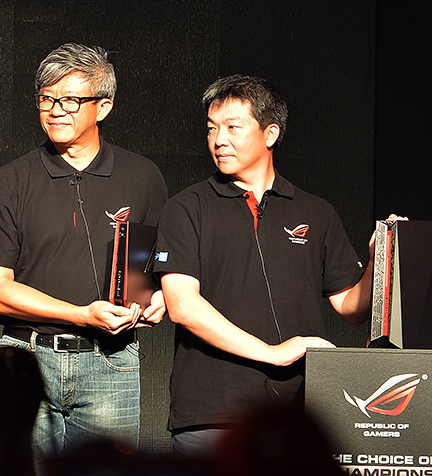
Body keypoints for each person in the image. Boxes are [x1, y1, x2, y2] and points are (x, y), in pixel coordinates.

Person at [155, 75, 375, 454]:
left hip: (298, 414)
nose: (219, 140)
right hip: (213, 416)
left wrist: (378, 260)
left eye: (232, 128)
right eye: (211, 128)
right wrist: (271, 352)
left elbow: (352, 308)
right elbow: (182, 307)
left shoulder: (315, 211)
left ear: (270, 133)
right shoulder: (187, 207)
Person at [0, 43, 168, 455]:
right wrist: (80, 314)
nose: (56, 110)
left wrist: (158, 300)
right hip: (26, 358)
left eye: (71, 100)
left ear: (103, 107)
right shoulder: (6, 183)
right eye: (46, 99)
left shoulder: (143, 177)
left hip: (112, 360)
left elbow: (154, 268)